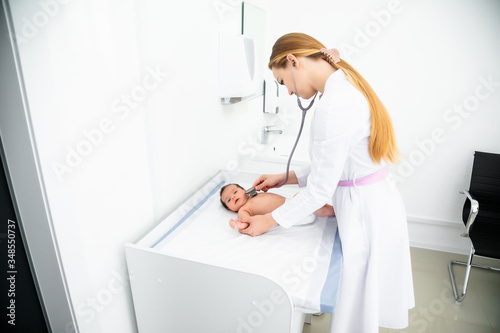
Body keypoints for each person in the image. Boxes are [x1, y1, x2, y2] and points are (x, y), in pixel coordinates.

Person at [235, 33, 414, 332]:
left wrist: (268, 221)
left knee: (356, 312)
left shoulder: (334, 106)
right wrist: (285, 177)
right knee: (360, 304)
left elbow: (319, 190)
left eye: (283, 82)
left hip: (365, 212)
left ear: (293, 61)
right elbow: (336, 166)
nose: (289, 93)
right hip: (372, 201)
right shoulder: (343, 86)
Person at [220, 183, 334, 230]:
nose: (233, 197)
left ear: (244, 190)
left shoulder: (253, 195)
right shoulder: (243, 210)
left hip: (290, 204)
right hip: (288, 215)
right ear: (230, 209)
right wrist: (239, 224)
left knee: (304, 197)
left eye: (235, 192)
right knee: (304, 200)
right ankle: (331, 211)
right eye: (229, 200)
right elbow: (248, 222)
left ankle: (331, 209)